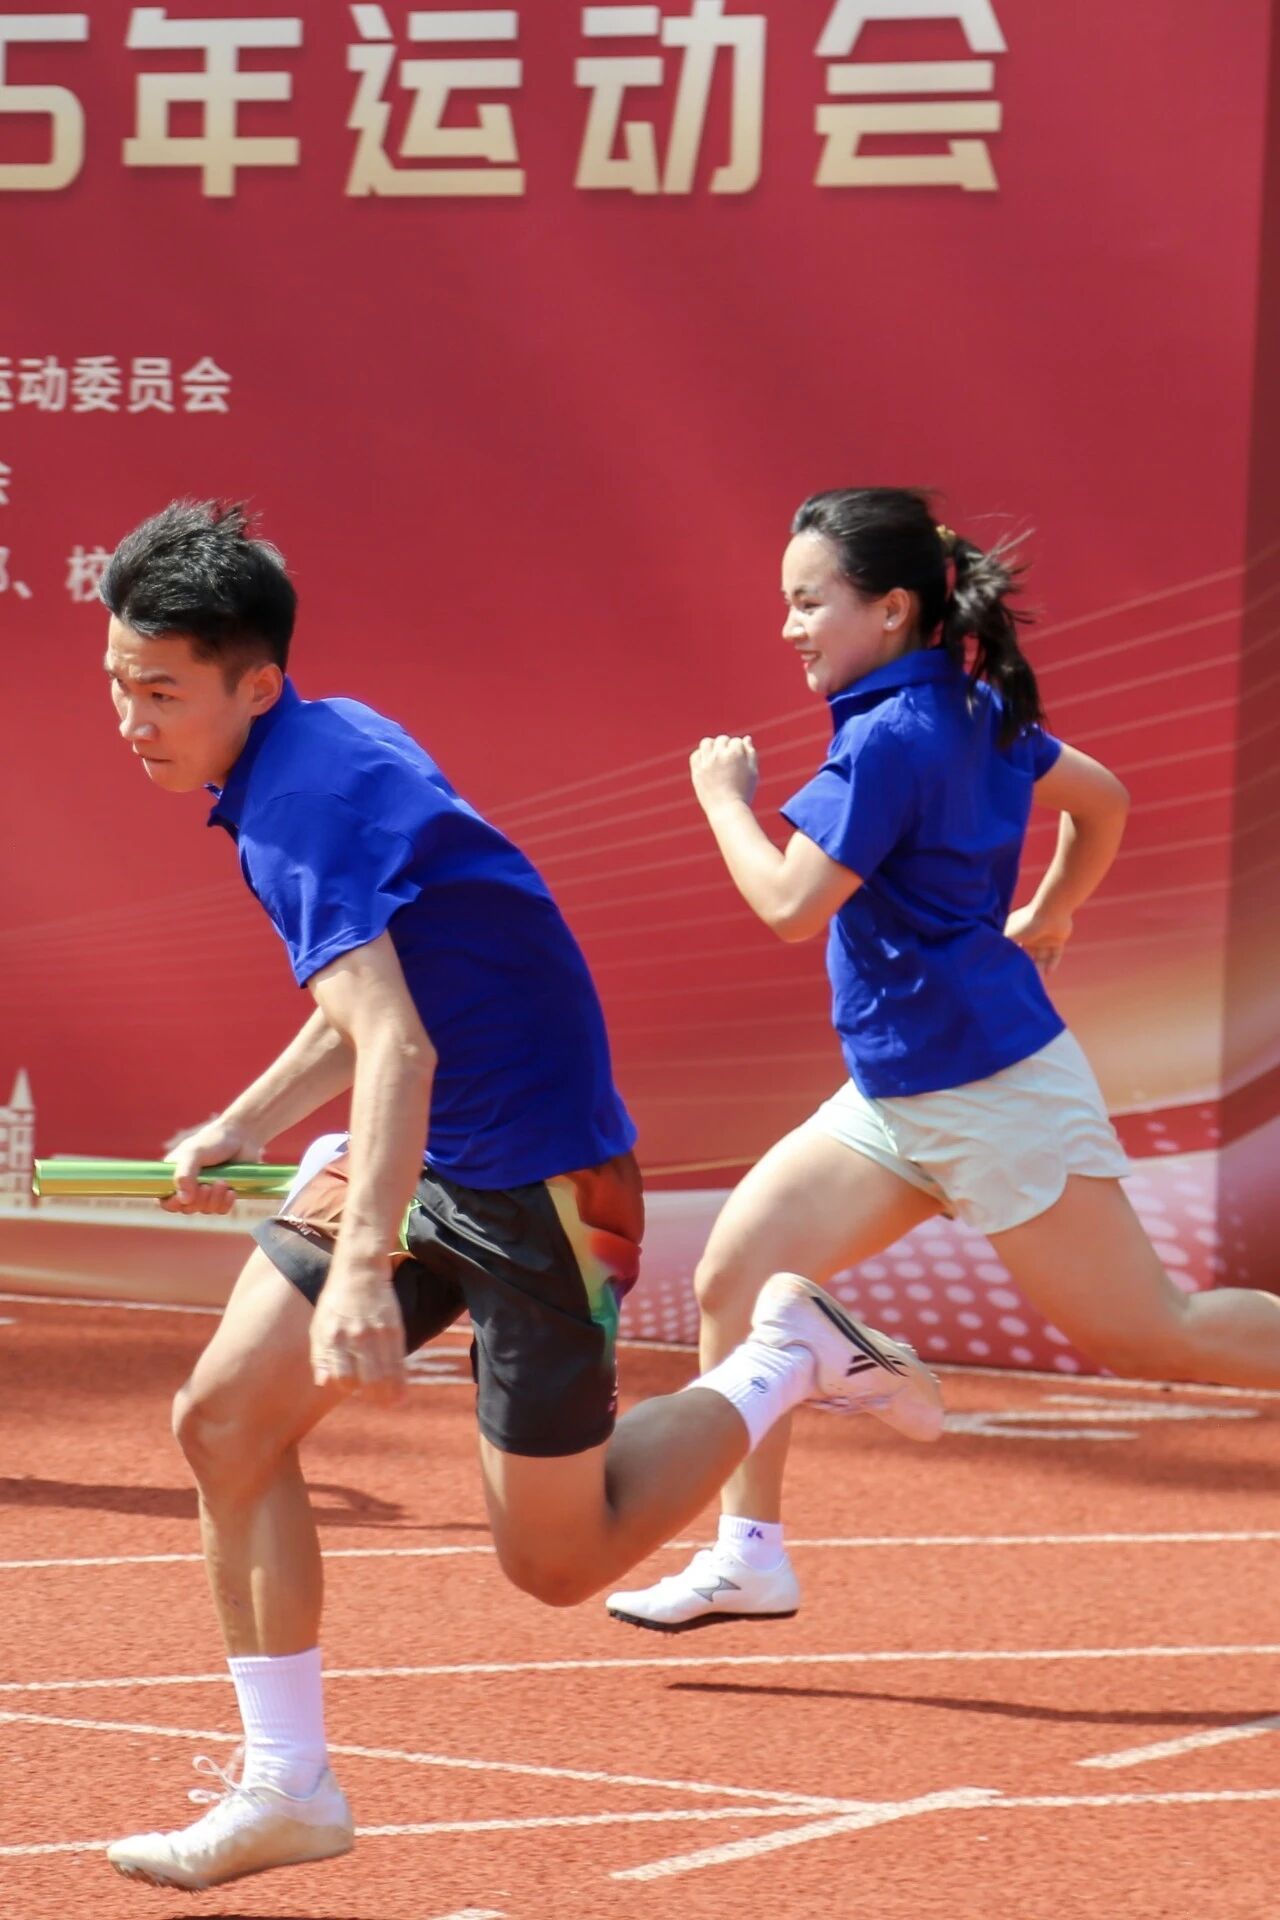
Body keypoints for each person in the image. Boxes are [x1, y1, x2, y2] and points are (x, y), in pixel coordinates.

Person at [96, 500, 942, 1893]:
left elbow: (398, 1046)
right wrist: (244, 1123)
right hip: (430, 1144)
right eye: (121, 685)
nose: (133, 720)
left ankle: (785, 1358)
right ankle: (289, 1788)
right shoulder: (309, 743)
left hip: (541, 1177)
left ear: (254, 684)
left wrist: (360, 1269)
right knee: (225, 1422)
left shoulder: (301, 803)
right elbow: (382, 1000)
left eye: (162, 692)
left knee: (555, 1562)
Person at [605, 485, 1280, 1634]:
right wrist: (1053, 912)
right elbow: (1102, 801)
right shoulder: (968, 706)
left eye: (808, 602)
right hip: (895, 1090)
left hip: (989, 1088)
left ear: (890, 609)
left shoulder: (887, 739)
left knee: (1149, 1329)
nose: (788, 627)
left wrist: (722, 800)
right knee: (736, 1275)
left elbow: (788, 906)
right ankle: (746, 1556)